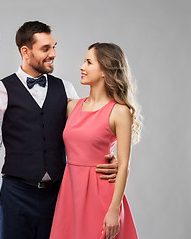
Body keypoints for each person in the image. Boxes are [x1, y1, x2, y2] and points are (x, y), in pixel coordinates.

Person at [0, 22, 118, 239]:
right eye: (45, 49)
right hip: (16, 195)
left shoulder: (66, 89)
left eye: (54, 47)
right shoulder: (1, 91)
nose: (53, 54)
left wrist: (110, 157)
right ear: (25, 51)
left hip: (60, 195)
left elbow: (89, 130)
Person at [49, 42, 142, 239]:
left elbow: (124, 164)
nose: (82, 67)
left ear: (104, 71)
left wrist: (114, 210)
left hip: (101, 195)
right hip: (70, 193)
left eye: (89, 62)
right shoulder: (72, 107)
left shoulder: (119, 111)